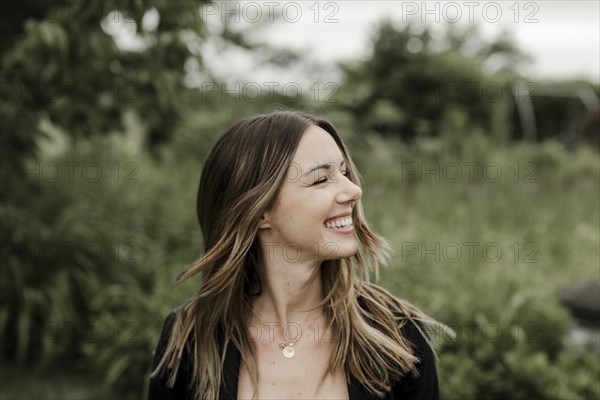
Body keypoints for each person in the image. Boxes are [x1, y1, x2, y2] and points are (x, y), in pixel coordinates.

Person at [148, 110, 450, 400]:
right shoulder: (189, 339)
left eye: (345, 172)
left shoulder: (398, 333)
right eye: (321, 179)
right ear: (261, 211)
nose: (354, 190)